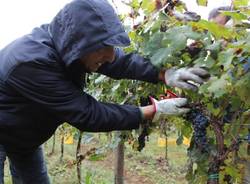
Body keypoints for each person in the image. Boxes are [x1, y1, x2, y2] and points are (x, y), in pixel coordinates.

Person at [0, 0, 210, 183]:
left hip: (26, 138)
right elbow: (88, 114)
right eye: (104, 47)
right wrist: (154, 110)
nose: (110, 56)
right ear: (81, 44)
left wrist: (165, 74)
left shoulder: (72, 46)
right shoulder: (30, 63)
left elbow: (119, 61)